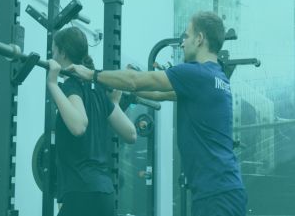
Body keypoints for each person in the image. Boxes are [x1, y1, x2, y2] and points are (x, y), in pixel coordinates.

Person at [65, 12, 248, 216]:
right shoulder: (217, 78)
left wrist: (92, 75)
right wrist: (115, 84)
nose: (182, 43)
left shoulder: (196, 73)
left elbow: (136, 80)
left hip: (216, 194)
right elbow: (156, 93)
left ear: (200, 39)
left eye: (186, 36)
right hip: (222, 189)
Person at [47, 26, 137, 216]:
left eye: (54, 50)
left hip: (81, 193)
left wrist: (53, 84)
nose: (52, 55)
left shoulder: (71, 86)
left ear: (62, 53)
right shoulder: (98, 93)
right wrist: (114, 103)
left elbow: (79, 126)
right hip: (105, 195)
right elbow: (131, 133)